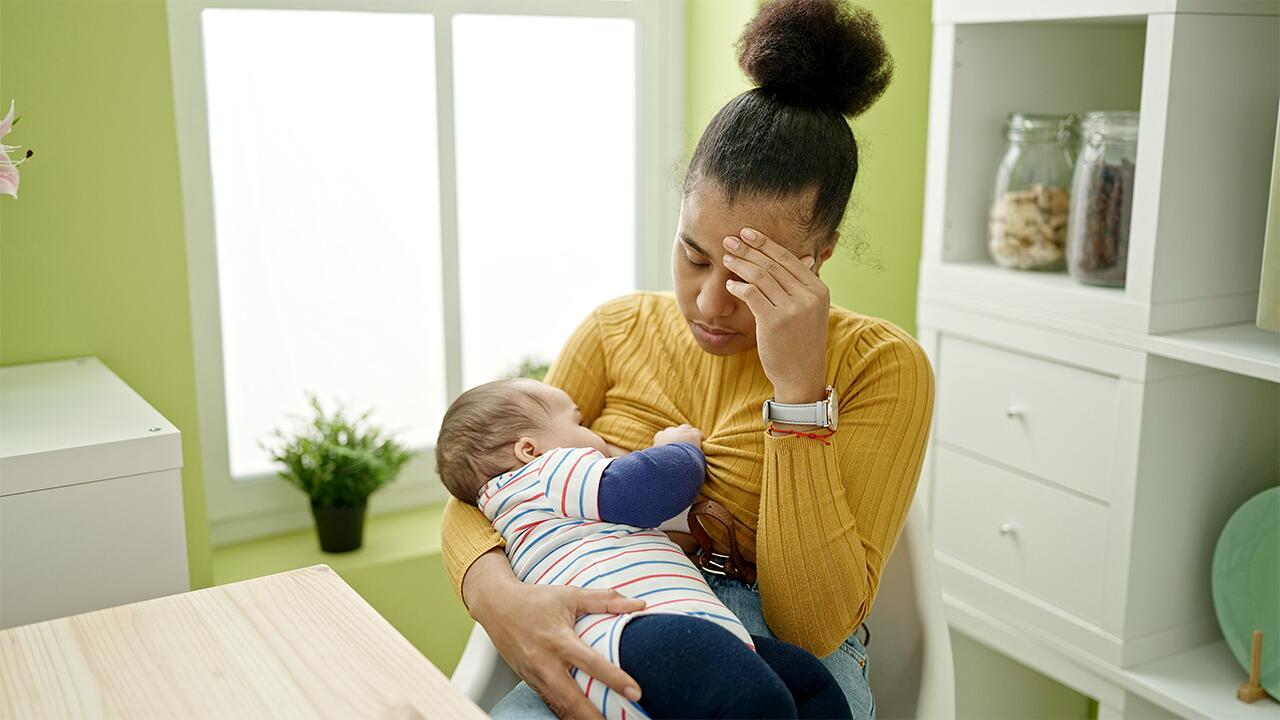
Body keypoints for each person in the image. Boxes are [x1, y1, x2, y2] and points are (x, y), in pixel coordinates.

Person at [440, 0, 934, 717]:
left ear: (819, 258)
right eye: (693, 255)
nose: (708, 304)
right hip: (610, 619)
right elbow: (485, 487)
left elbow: (812, 623)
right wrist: (501, 604)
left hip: (785, 659)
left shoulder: (879, 366)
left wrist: (798, 392)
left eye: (748, 277)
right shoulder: (614, 330)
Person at [435, 378, 852, 719]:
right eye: (579, 422)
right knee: (760, 702)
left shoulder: (510, 509)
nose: (594, 435)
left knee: (808, 684)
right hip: (636, 630)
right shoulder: (550, 472)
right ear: (529, 449)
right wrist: (679, 447)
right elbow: (646, 488)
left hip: (619, 659)